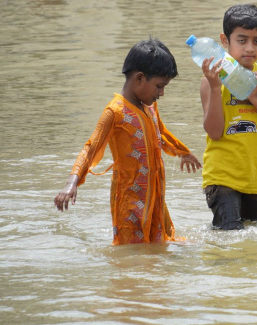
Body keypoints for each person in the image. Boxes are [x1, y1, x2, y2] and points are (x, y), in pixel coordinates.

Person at [54, 39, 201, 245]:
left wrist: (182, 151)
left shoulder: (149, 108)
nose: (161, 93)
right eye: (159, 86)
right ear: (140, 78)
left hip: (156, 199)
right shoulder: (114, 113)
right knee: (130, 255)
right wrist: (71, 184)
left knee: (161, 248)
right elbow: (90, 148)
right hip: (129, 202)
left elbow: (161, 133)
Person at [199, 4, 257, 230]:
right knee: (231, 236)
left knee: (253, 246)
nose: (250, 48)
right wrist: (214, 88)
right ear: (225, 41)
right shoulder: (212, 80)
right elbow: (214, 132)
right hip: (222, 178)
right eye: (242, 40)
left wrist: (256, 98)